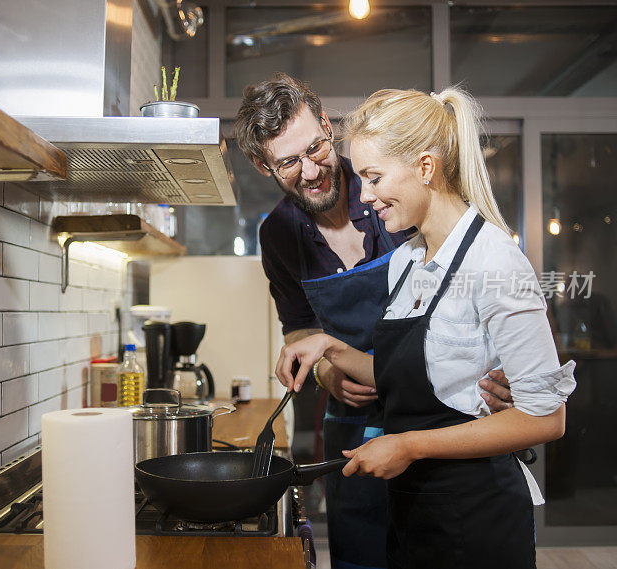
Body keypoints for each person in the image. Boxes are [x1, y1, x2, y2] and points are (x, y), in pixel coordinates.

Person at [275, 86, 577, 568]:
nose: (365, 194)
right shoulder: (408, 261)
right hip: (414, 509)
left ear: (425, 167)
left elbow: (545, 417)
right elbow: (405, 376)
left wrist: (409, 445)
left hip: (478, 516)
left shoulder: (495, 263)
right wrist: (327, 346)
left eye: (374, 177)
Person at [235, 74, 513, 569]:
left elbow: (478, 278)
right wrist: (327, 370)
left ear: (327, 125)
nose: (311, 171)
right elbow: (297, 325)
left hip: (438, 410)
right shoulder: (278, 233)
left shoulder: (392, 186)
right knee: (363, 554)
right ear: (262, 165)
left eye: (316, 148)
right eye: (287, 163)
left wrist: (508, 363)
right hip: (353, 418)